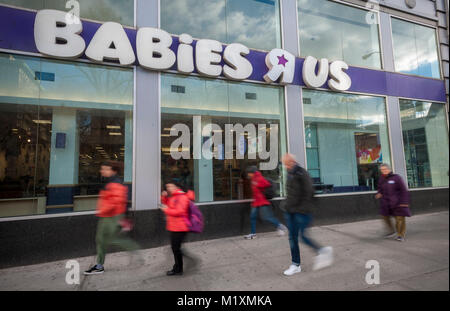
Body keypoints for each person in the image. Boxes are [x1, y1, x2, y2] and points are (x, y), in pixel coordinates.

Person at [84, 161, 141, 275]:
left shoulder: (115, 183)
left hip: (112, 216)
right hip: (107, 216)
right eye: (102, 168)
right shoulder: (109, 181)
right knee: (101, 239)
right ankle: (99, 265)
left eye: (105, 168)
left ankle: (134, 250)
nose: (102, 171)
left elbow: (117, 201)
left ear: (113, 170)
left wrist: (103, 210)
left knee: (110, 239)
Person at [281, 154, 333, 276]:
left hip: (302, 211)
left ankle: (322, 251)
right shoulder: (290, 173)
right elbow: (291, 192)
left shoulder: (301, 173)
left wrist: (300, 208)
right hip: (291, 211)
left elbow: (309, 192)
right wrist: (286, 205)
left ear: (293, 162)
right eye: (284, 164)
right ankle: (295, 265)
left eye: (287, 163)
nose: (286, 166)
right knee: (292, 238)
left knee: (303, 236)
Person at [160, 180, 195, 276]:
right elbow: (168, 204)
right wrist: (164, 197)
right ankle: (179, 267)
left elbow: (179, 211)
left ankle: (178, 269)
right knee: (176, 248)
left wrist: (166, 210)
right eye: (167, 187)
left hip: (180, 227)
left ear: (176, 186)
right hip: (174, 226)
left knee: (176, 248)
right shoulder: (174, 196)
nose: (168, 188)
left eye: (170, 186)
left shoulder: (182, 197)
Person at [244, 166, 287, 239]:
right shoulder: (253, 179)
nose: (248, 174)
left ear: (252, 173)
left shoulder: (259, 179)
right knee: (252, 217)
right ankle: (253, 234)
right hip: (256, 202)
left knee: (267, 217)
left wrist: (265, 193)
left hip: (262, 201)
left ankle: (280, 226)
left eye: (249, 173)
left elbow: (268, 185)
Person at [375, 163, 411, 242]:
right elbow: (380, 188)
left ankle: (400, 235)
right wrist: (379, 193)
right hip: (386, 203)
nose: (383, 171)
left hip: (397, 202)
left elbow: (404, 191)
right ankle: (392, 231)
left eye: (385, 169)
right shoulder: (381, 179)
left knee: (400, 219)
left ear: (389, 169)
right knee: (384, 217)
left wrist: (404, 202)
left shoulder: (396, 178)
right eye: (382, 170)